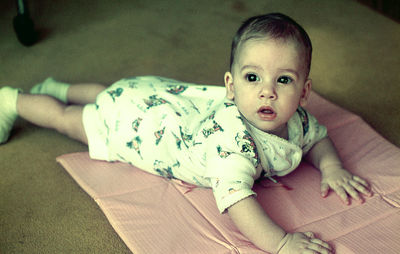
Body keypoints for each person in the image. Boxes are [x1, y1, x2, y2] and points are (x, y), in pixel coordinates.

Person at [0, 13, 372, 254]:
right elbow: (237, 201)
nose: (267, 91)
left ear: (304, 92)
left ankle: (57, 86)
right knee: (70, 118)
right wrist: (281, 242)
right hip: (136, 127)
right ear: (230, 84)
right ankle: (14, 101)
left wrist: (332, 167)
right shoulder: (232, 144)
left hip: (160, 97)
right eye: (252, 77)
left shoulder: (299, 120)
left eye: (284, 80)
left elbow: (318, 137)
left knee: (110, 91)